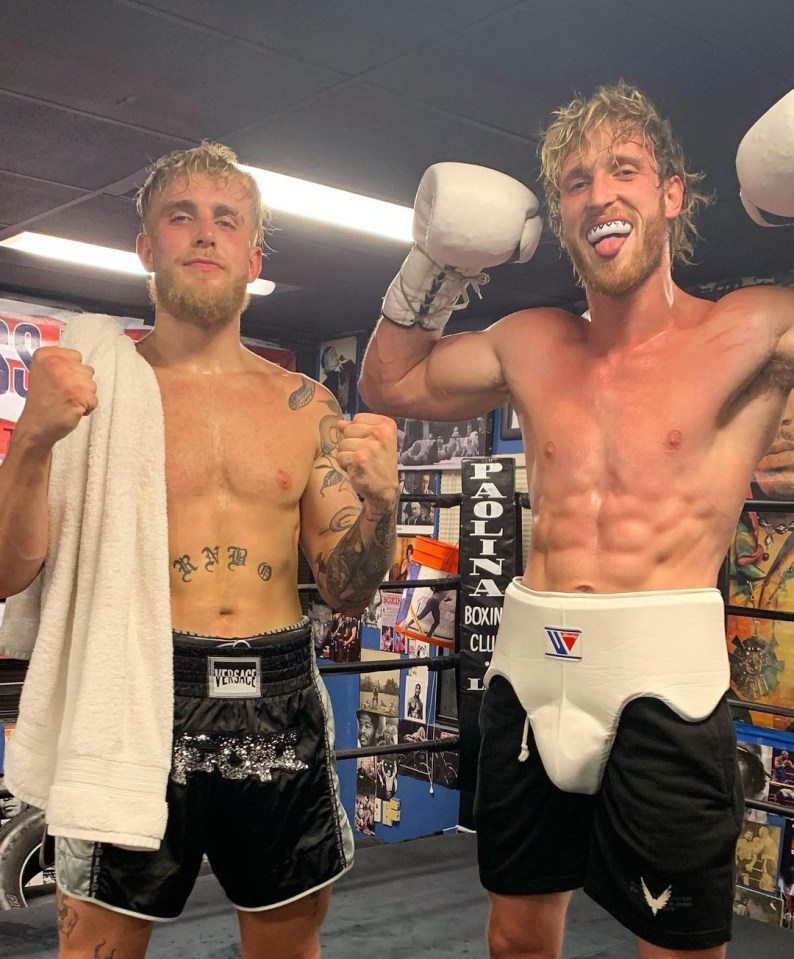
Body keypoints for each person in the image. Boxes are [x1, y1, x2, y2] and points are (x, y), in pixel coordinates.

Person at [360, 83, 794, 958]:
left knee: (679, 947)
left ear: (672, 193)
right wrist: (432, 262)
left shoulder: (753, 327)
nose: (600, 193)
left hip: (664, 675)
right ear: (560, 215)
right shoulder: (531, 340)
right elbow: (390, 383)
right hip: (530, 667)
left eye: (624, 168)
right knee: (517, 933)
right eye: (575, 180)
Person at [0, 141, 399, 959]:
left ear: (253, 256)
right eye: (181, 217)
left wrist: (385, 505)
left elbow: (348, 590)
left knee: (287, 948)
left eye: (226, 220)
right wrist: (32, 441)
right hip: (138, 695)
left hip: (280, 696)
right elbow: (8, 575)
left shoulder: (306, 406)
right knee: (96, 950)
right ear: (146, 247)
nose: (204, 235)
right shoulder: (93, 391)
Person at [319, 344, 357, 416]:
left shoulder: (344, 371)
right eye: (332, 355)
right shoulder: (327, 384)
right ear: (326, 362)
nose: (335, 356)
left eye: (335, 354)